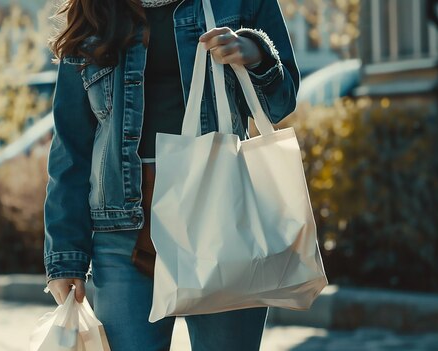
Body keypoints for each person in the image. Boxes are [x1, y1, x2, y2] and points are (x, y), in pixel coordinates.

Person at [43, 0, 300, 349]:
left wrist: (256, 53)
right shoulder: (96, 8)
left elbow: (281, 103)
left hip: (223, 222)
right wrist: (65, 254)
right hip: (122, 233)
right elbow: (71, 145)